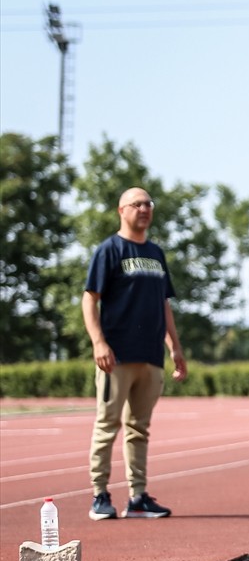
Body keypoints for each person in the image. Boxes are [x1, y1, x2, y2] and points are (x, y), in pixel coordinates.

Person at [82, 187, 187, 520]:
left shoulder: (156, 253)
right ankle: (100, 496)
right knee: (107, 425)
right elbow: (89, 299)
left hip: (150, 356)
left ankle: (138, 497)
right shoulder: (109, 250)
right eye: (137, 204)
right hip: (117, 356)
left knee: (139, 428)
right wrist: (99, 342)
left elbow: (163, 303)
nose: (144, 208)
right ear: (122, 210)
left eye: (148, 204)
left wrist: (175, 347)